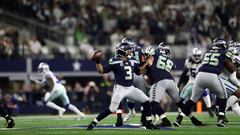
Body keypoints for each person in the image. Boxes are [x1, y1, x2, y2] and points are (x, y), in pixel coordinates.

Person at [87, 42, 157, 130]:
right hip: (120, 89)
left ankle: (149, 123)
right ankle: (94, 122)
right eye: (128, 50)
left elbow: (139, 72)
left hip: (131, 88)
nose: (130, 51)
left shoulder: (131, 60)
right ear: (122, 51)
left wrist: (147, 65)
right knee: (112, 109)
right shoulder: (115, 61)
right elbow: (102, 71)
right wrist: (97, 62)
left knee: (146, 100)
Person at [143, 42, 203, 126]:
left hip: (161, 81)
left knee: (153, 102)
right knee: (180, 103)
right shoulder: (171, 61)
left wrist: (145, 71)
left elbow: (148, 52)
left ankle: (164, 120)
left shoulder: (155, 54)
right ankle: (194, 119)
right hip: (171, 82)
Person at [182, 38, 237, 127]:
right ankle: (221, 118)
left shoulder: (207, 52)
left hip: (199, 76)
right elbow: (231, 68)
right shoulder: (224, 52)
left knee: (192, 100)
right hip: (213, 76)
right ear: (221, 45)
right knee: (223, 96)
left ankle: (179, 118)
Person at [174, 48, 214, 127]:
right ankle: (209, 108)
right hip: (193, 82)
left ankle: (180, 115)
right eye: (195, 55)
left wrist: (179, 84)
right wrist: (180, 84)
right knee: (183, 99)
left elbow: (183, 74)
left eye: (198, 55)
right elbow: (184, 74)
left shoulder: (199, 62)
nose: (196, 57)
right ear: (192, 55)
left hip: (195, 83)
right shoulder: (194, 62)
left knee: (184, 99)